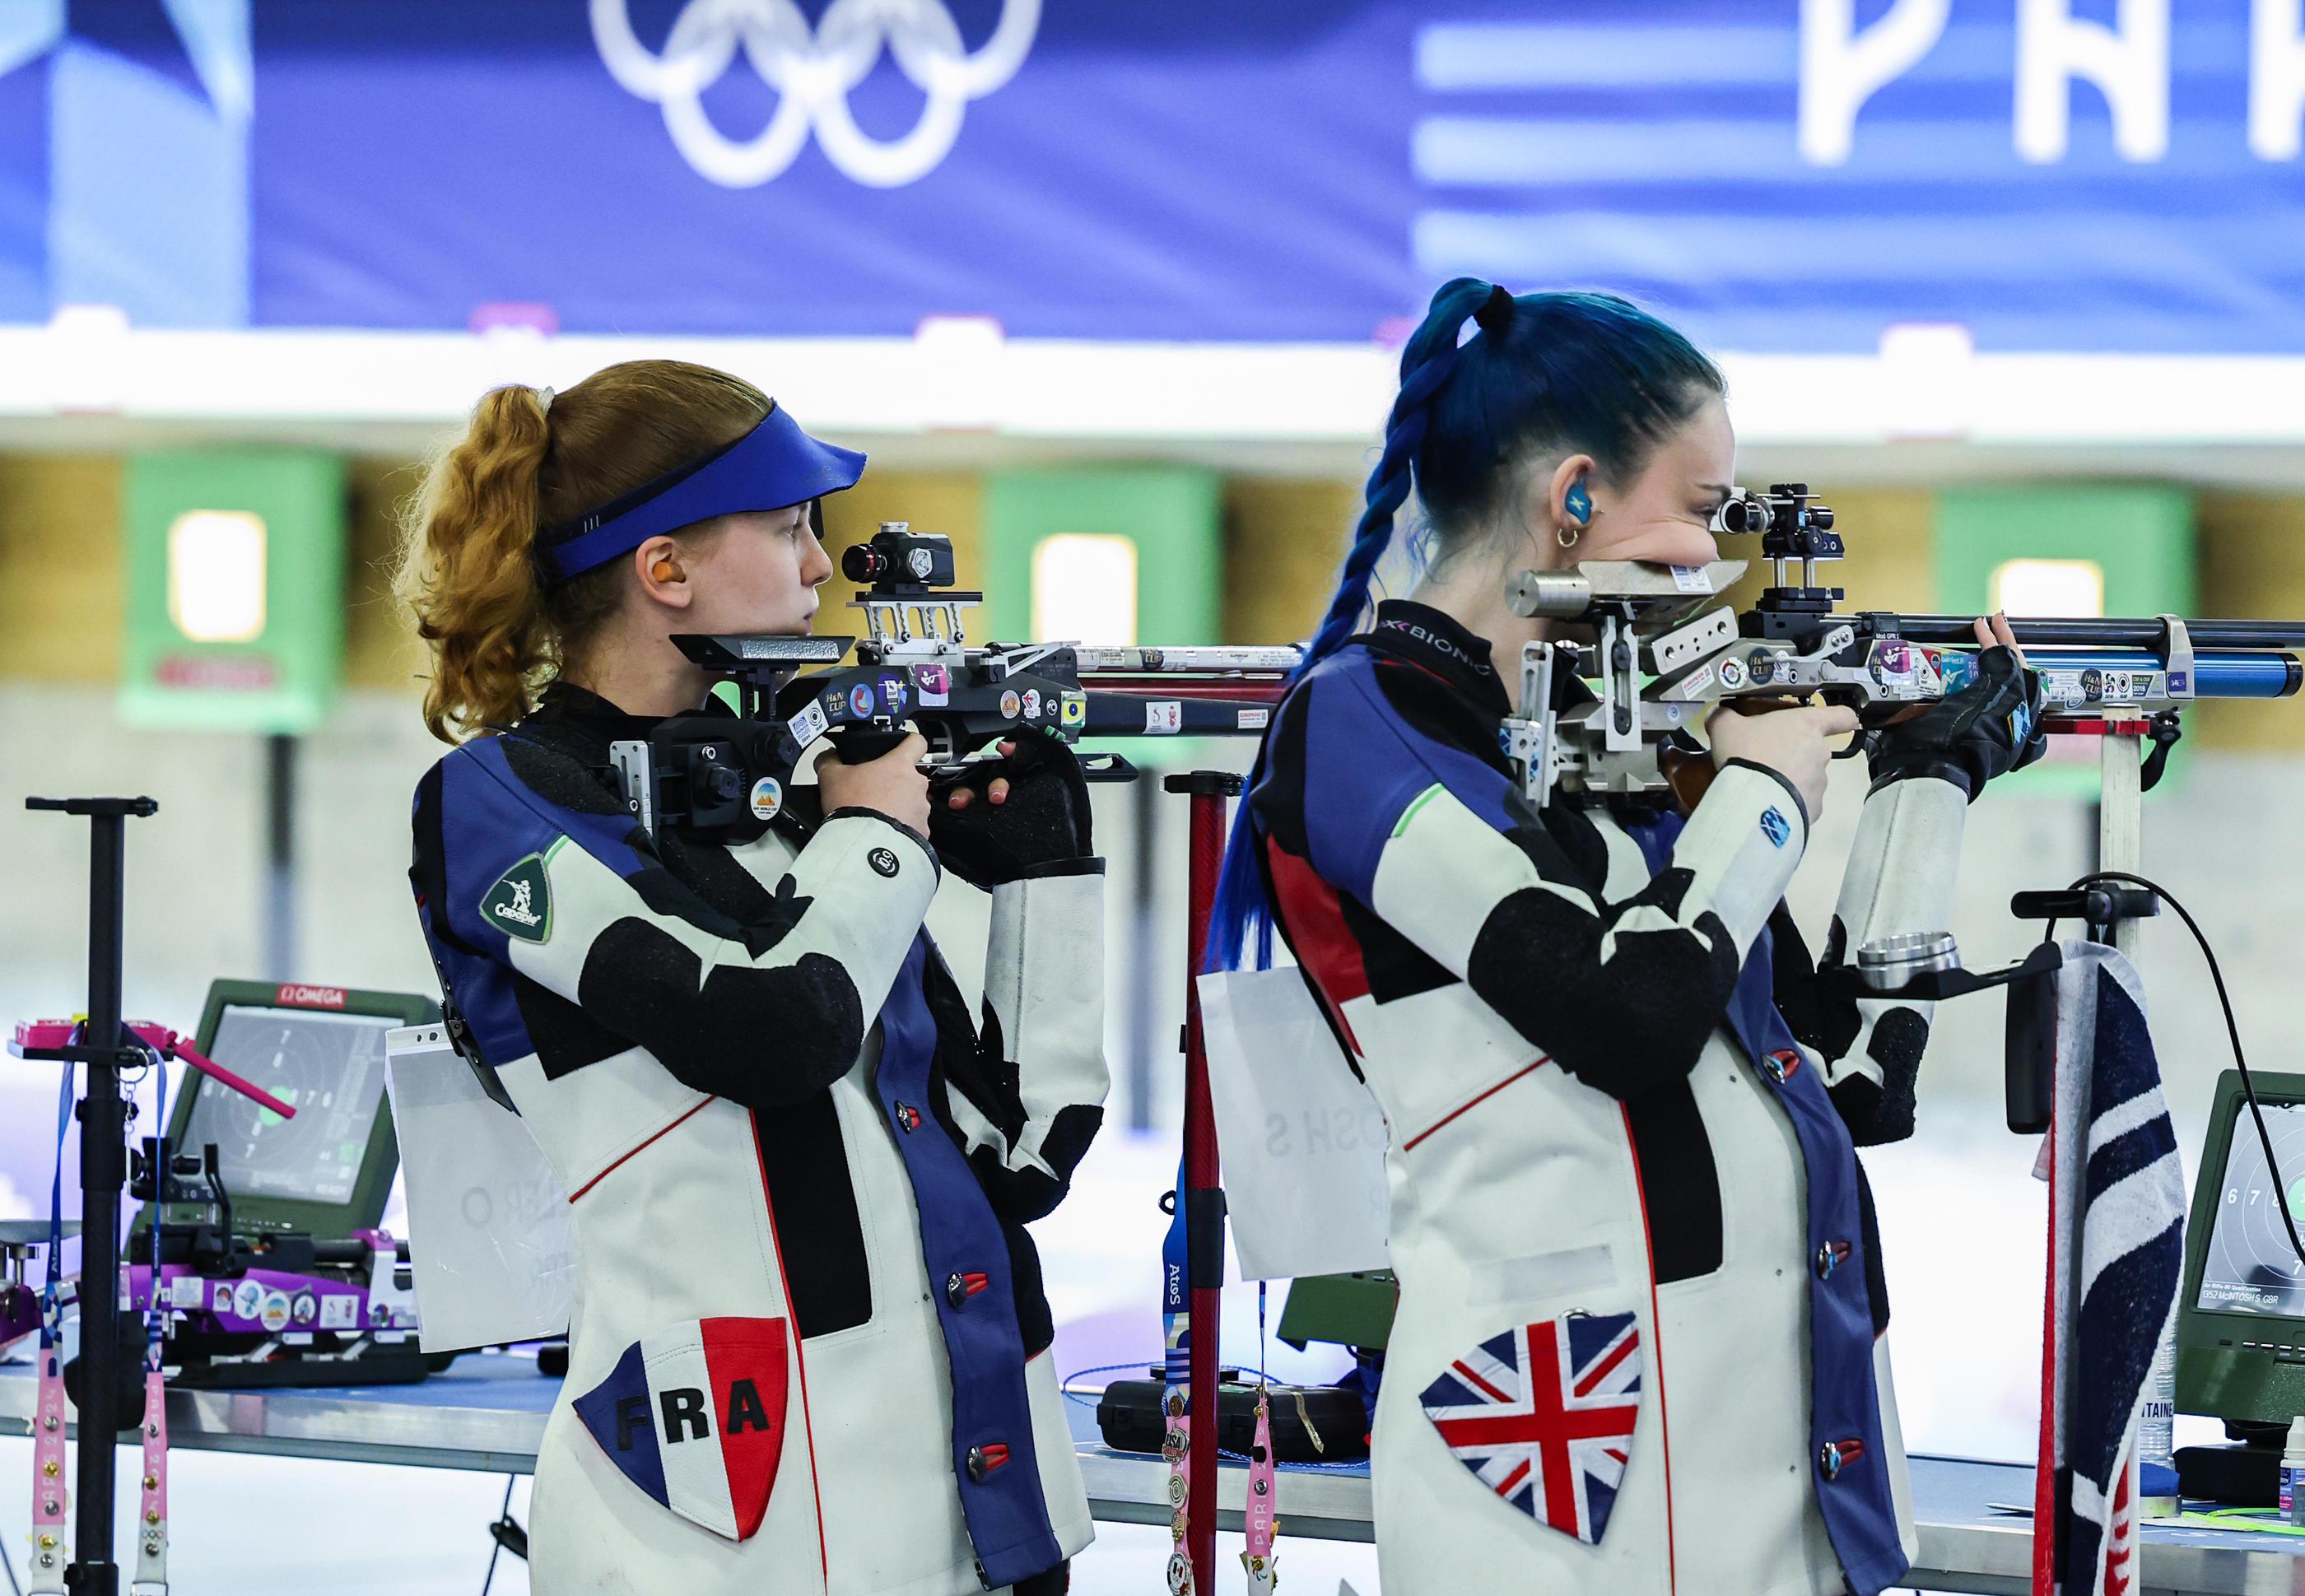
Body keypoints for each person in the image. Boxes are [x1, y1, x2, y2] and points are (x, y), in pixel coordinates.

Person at [1208, 280, 2042, 1596]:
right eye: (1703, 514)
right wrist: (1766, 792)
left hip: (1769, 1497)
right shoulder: (1364, 720)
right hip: (1558, 1500)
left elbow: (1849, 1076)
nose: (1716, 564)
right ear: (1575, 496)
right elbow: (1624, 1010)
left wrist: (1925, 792)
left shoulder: (1629, 742)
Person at [395, 361, 1107, 1596]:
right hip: (721, 1522)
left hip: (974, 1504)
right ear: (663, 568)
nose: (822, 568)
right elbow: (769, 1029)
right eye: (788, 528)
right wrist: (882, 841)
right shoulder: (500, 803)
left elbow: (1022, 1157)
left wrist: (1048, 877)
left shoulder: (797, 807)